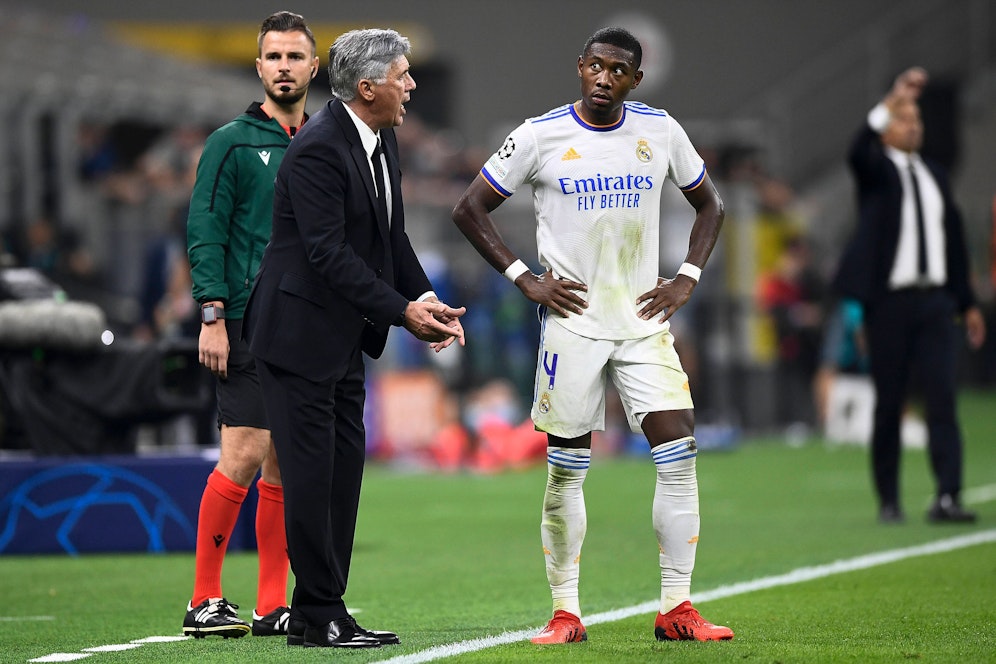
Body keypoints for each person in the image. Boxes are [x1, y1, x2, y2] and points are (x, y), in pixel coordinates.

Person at [452, 27, 733, 644]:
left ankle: (677, 607)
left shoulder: (660, 130)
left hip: (642, 322)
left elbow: (711, 204)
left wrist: (686, 278)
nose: (605, 78)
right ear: (580, 67)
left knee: (679, 452)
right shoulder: (539, 135)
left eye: (618, 71)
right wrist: (524, 278)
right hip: (572, 324)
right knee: (567, 469)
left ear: (635, 79)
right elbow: (468, 208)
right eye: (596, 66)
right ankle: (565, 613)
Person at [244, 28, 465, 649]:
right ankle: (318, 613)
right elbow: (328, 254)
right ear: (367, 88)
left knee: (342, 476)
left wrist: (424, 299)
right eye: (402, 75)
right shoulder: (318, 148)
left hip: (339, 336)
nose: (411, 86)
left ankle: (320, 608)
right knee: (312, 478)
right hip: (296, 337)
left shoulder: (380, 136)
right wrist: (401, 313)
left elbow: (390, 238)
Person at [182, 11, 320, 639]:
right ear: (258, 67)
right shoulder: (230, 143)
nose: (284, 67)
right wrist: (211, 313)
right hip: (243, 319)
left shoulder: (325, 142)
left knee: (283, 463)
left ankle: (271, 606)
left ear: (313, 67)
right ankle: (203, 600)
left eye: (295, 56)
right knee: (242, 451)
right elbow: (205, 228)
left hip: (306, 326)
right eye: (274, 57)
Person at [833, 66, 986, 524]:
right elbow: (856, 149)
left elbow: (951, 242)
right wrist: (891, 99)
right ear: (886, 128)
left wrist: (967, 302)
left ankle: (948, 496)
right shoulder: (876, 172)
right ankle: (889, 499)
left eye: (916, 119)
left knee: (943, 399)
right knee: (889, 400)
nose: (912, 126)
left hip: (936, 302)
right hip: (890, 304)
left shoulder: (936, 174)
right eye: (903, 119)